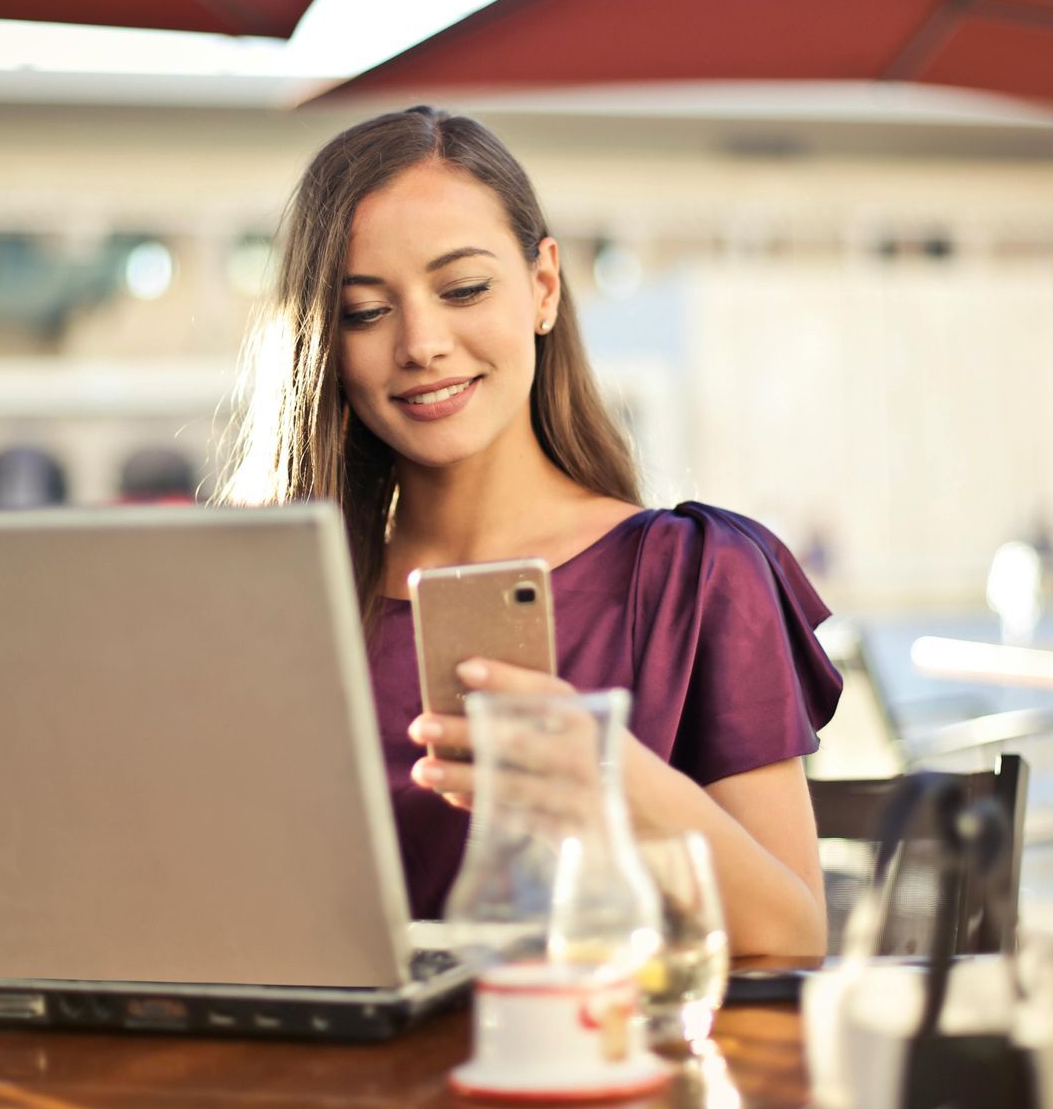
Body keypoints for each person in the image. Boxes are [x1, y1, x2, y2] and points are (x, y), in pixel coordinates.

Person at [221, 107, 840, 956]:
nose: (423, 344)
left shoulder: (695, 575)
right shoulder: (270, 599)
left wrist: (606, 779)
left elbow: (795, 933)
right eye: (366, 312)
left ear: (543, 287)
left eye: (464, 289)